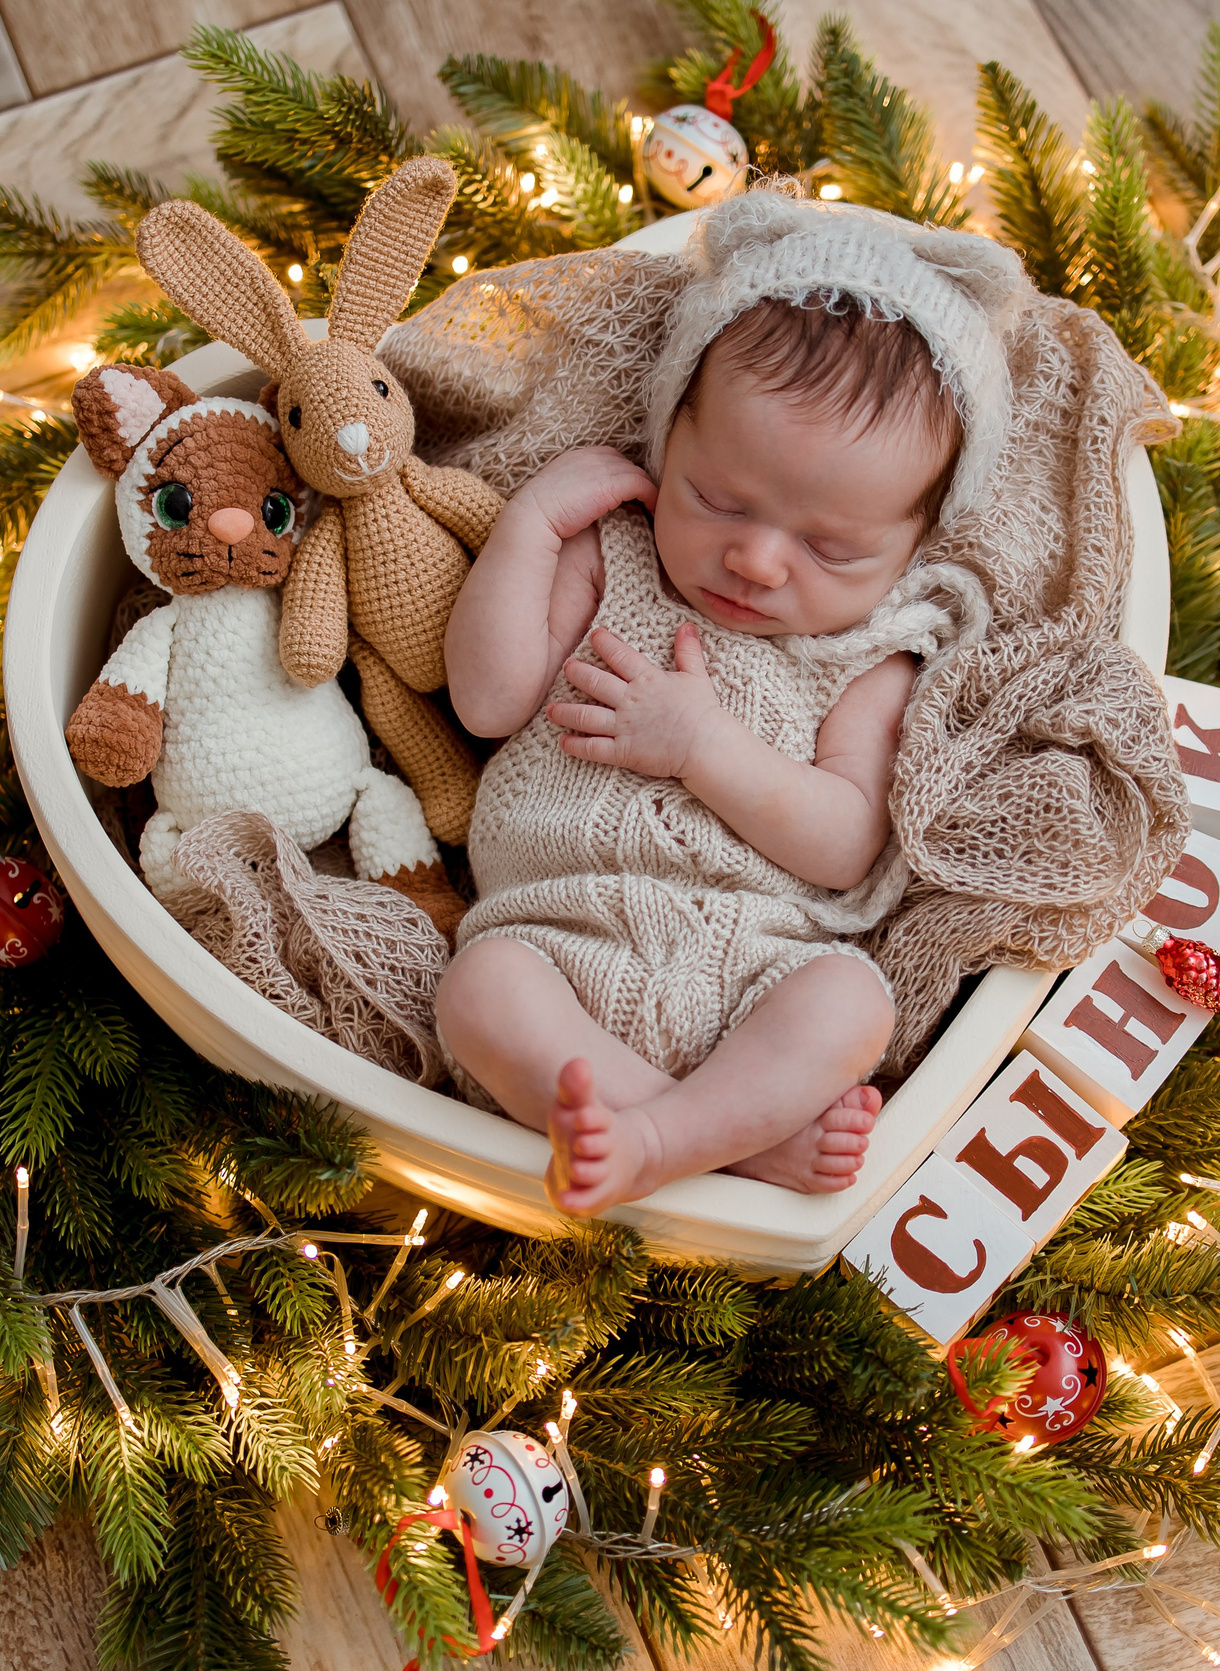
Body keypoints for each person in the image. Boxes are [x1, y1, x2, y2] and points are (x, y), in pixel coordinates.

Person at [435, 192, 1022, 1217]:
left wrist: (702, 744)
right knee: (474, 993)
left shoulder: (871, 655)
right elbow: (486, 703)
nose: (754, 560)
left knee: (852, 1004)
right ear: (668, 442)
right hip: (557, 938)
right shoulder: (606, 555)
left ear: (911, 549)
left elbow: (844, 844)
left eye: (831, 549)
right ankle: (717, 1140)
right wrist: (530, 525)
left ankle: (663, 1132)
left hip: (755, 969)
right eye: (716, 500)